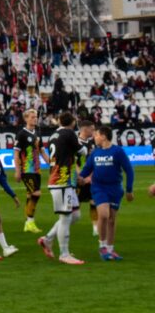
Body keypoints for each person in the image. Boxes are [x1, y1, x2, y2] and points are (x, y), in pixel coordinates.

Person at [38, 113, 89, 265]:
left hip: (66, 180)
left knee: (75, 215)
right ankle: (64, 254)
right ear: (73, 123)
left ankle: (47, 239)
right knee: (66, 217)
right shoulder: (69, 133)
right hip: (61, 181)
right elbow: (83, 152)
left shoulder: (54, 135)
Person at [79, 125, 135, 260]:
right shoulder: (95, 153)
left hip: (115, 189)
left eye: (96, 135)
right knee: (104, 215)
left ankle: (110, 248)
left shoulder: (118, 151)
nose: (94, 137)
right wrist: (79, 179)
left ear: (103, 136)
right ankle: (102, 247)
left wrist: (129, 190)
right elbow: (86, 170)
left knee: (112, 220)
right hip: (99, 188)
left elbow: (129, 170)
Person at [13, 108, 48, 233]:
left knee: (30, 195)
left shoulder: (37, 133)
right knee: (36, 193)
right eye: (32, 117)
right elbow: (16, 153)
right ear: (26, 118)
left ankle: (28, 223)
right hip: (26, 169)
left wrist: (51, 163)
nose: (35, 119)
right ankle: (30, 221)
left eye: (36, 116)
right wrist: (17, 170)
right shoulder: (21, 134)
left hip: (36, 170)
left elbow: (42, 151)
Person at [75, 120, 99, 238]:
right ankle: (67, 226)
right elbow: (73, 163)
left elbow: (95, 160)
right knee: (76, 204)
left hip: (92, 179)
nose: (94, 131)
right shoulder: (75, 142)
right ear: (85, 129)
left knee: (94, 202)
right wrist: (81, 176)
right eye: (92, 129)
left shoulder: (92, 142)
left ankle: (95, 228)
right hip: (79, 179)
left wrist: (92, 176)